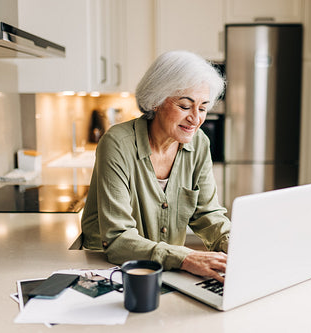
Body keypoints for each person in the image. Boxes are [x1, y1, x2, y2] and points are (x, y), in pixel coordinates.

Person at [80, 50, 230, 282]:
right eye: (184, 106)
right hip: (105, 268)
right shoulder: (118, 144)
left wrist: (236, 245)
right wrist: (185, 257)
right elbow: (117, 238)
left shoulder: (199, 143)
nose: (195, 118)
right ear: (156, 101)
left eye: (202, 108)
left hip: (166, 267)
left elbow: (207, 214)